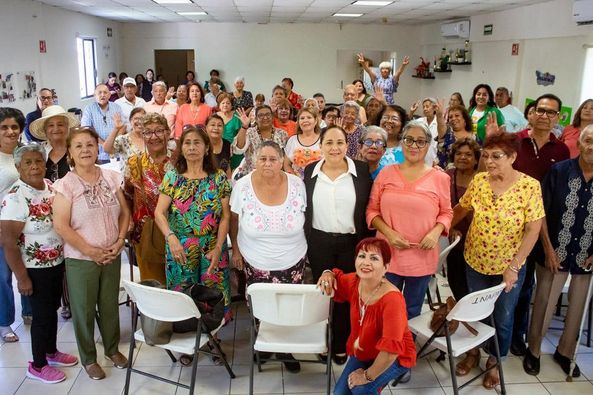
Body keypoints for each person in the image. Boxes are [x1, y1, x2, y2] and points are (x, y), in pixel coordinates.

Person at [451, 132, 544, 389]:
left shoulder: (529, 186)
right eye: (487, 155)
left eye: (497, 156)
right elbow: (462, 208)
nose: (489, 161)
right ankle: (473, 353)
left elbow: (533, 230)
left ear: (512, 157)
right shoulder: (479, 181)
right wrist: (443, 227)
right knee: (475, 313)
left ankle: (494, 360)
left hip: (508, 268)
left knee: (502, 317)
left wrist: (514, 267)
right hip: (475, 261)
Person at [52, 126, 130, 380]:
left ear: (97, 148)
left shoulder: (111, 176)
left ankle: (111, 350)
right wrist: (90, 251)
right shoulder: (65, 185)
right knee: (84, 310)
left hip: (112, 252)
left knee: (109, 306)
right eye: (78, 146)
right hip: (82, 259)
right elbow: (61, 225)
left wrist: (119, 242)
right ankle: (88, 358)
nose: (85, 150)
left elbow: (125, 213)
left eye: (89, 144)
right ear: (70, 154)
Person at [1, 144, 79, 384]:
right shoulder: (15, 196)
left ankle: (51, 351)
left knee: (52, 310)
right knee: (41, 316)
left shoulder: (50, 187)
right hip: (33, 268)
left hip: (56, 262)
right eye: (28, 163)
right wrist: (22, 278)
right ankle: (37, 365)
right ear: (18, 167)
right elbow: (8, 242)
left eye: (38, 161)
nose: (34, 166)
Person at [523, 124, 593, 378]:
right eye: (588, 141)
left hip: (587, 256)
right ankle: (534, 351)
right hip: (554, 251)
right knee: (544, 302)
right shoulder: (559, 171)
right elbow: (539, 213)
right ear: (580, 142)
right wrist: (548, 249)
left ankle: (565, 352)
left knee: (577, 308)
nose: (591, 147)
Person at [230, 141, 306, 373]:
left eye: (273, 159)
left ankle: (284, 348)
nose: (268, 163)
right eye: (262, 158)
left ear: (282, 160)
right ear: (254, 160)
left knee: (287, 308)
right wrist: (235, 248)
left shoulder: (297, 184)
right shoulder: (242, 186)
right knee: (259, 307)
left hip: (292, 259)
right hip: (255, 260)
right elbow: (234, 219)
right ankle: (263, 345)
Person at [367, 120, 452, 325]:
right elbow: (372, 211)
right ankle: (383, 349)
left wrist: (435, 232)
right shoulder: (386, 173)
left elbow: (446, 212)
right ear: (401, 143)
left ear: (428, 145)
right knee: (384, 305)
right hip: (388, 254)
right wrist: (390, 233)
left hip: (421, 257)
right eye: (409, 140)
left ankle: (403, 351)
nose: (414, 146)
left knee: (412, 308)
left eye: (420, 142)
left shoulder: (439, 178)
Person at [303, 126, 372, 365]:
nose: (334, 148)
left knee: (344, 295)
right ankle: (322, 339)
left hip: (351, 242)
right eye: (329, 142)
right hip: (319, 241)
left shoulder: (361, 171)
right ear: (320, 146)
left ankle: (341, 341)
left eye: (340, 142)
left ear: (347, 145)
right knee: (322, 292)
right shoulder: (310, 171)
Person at [510, 93, 570, 356]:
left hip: (541, 226)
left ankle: (516, 334)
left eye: (551, 113)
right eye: (540, 111)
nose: (544, 116)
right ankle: (499, 330)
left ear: (559, 117)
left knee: (526, 286)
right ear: (531, 113)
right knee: (508, 281)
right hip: (508, 224)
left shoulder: (562, 150)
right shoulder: (515, 141)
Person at [317, 237, 416, 395]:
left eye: (374, 258)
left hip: (396, 356)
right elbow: (335, 278)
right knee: (339, 393)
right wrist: (327, 273)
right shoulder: (355, 282)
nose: (366, 262)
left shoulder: (392, 300)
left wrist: (367, 376)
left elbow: (391, 352)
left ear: (386, 267)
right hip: (366, 350)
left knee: (361, 389)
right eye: (362, 256)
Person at [154, 125, 232, 322]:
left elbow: (225, 216)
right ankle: (186, 338)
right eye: (187, 143)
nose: (191, 147)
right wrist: (171, 238)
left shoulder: (219, 178)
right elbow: (159, 212)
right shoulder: (173, 177)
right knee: (183, 296)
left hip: (212, 246)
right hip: (180, 247)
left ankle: (212, 336)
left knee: (212, 294)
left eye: (197, 142)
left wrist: (218, 248)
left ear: (207, 148)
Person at [28, 106, 80, 320]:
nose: (56, 129)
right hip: (48, 218)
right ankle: (65, 302)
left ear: (68, 127)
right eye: (51, 125)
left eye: (61, 124)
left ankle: (78, 301)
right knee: (57, 262)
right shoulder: (40, 154)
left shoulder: (76, 149)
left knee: (74, 260)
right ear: (45, 130)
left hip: (76, 214)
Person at [124, 113, 174, 284]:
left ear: (168, 133)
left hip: (179, 232)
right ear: (142, 136)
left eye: (159, 131)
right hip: (145, 234)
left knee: (180, 287)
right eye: (148, 132)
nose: (154, 137)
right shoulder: (133, 163)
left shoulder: (180, 161)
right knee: (154, 287)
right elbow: (127, 196)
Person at [0, 108, 32, 342]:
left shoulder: (25, 153)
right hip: (3, 226)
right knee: (3, 276)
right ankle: (4, 323)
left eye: (14, 127)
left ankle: (29, 311)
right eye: (4, 127)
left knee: (28, 269)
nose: (10, 131)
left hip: (27, 224)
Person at [444, 138, 480, 303]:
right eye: (459, 153)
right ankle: (461, 320)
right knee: (456, 283)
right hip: (453, 242)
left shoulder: (482, 180)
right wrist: (449, 229)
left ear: (476, 159)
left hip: (478, 244)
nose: (463, 157)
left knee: (474, 288)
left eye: (468, 154)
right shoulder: (447, 176)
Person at [232, 105, 288, 180]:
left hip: (275, 175)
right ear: (256, 119)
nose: (265, 117)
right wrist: (244, 126)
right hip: (251, 175)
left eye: (268, 114)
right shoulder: (249, 132)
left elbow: (285, 158)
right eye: (261, 115)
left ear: (272, 117)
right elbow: (238, 149)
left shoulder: (282, 134)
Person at [80, 84, 126, 163]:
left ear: (109, 95)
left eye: (105, 92)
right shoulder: (89, 109)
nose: (102, 95)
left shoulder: (116, 107)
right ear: (95, 95)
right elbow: (86, 130)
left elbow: (123, 126)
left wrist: (112, 143)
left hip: (116, 152)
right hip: (98, 154)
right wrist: (106, 145)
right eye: (99, 93)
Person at [283, 108, 322, 179]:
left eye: (309, 117)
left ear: (315, 121)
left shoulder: (324, 139)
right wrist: (296, 179)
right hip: (297, 183)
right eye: (302, 118)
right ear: (298, 122)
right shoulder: (292, 140)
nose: (305, 120)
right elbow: (286, 165)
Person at [216, 92, 250, 170]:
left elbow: (241, 134)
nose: (225, 105)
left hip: (234, 149)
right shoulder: (215, 116)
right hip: (219, 148)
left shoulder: (237, 116)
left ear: (231, 105)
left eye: (228, 103)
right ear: (219, 105)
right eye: (223, 103)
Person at [437, 105, 475, 169]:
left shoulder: (475, 137)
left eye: (457, 115)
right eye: (450, 117)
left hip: (471, 175)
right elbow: (441, 126)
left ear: (464, 119)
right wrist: (439, 116)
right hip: (447, 175)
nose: (453, 118)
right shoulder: (447, 134)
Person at [206, 114, 232, 178]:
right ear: (206, 127)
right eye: (212, 125)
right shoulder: (201, 145)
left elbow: (228, 167)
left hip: (222, 184)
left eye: (219, 125)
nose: (216, 128)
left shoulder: (227, 144)